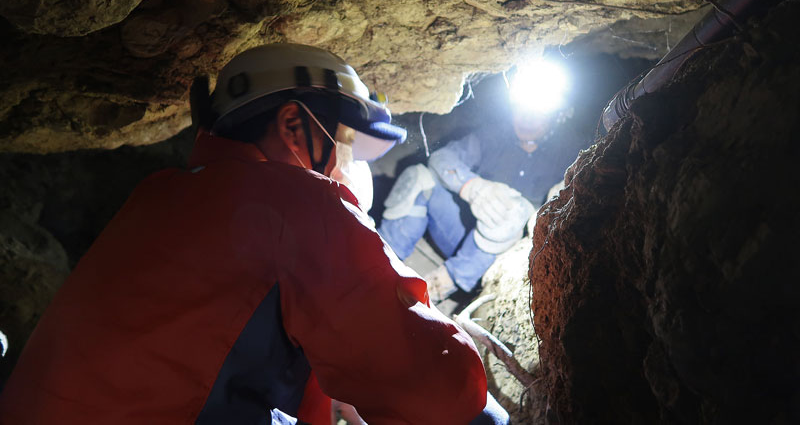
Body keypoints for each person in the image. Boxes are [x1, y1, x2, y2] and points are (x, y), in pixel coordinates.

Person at [0, 44, 508, 425]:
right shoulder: (298, 202)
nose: (349, 161)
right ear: (294, 125)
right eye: (346, 141)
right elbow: (440, 387)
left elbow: (228, 337)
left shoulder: (159, 194)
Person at [379, 62, 587, 301]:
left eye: (537, 113)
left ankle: (431, 292)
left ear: (556, 114)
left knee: (514, 212)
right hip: (463, 239)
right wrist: (473, 187)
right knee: (418, 177)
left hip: (507, 261)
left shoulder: (570, 151)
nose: (527, 119)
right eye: (521, 109)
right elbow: (442, 157)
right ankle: (381, 266)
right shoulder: (493, 136)